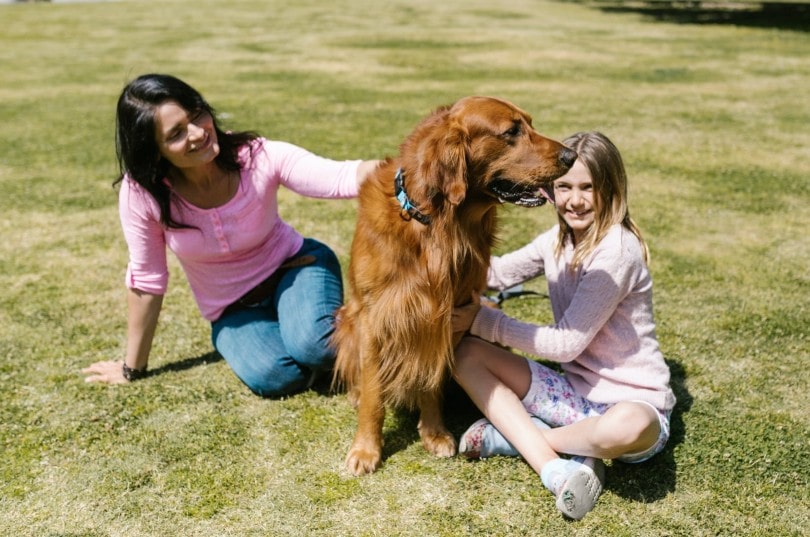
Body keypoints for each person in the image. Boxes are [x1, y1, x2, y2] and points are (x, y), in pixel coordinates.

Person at [82, 73, 378, 397]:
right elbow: (147, 278)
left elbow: (342, 177)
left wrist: (410, 168)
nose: (198, 133)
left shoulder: (255, 156)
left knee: (315, 347)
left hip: (295, 269)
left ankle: (332, 337)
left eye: (197, 115)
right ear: (154, 151)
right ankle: (300, 336)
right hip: (233, 311)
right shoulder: (142, 194)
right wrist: (131, 367)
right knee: (274, 377)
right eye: (176, 133)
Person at [451, 131, 676, 520]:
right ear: (550, 188)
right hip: (572, 396)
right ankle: (557, 466)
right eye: (564, 186)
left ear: (612, 189)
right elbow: (497, 274)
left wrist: (483, 320)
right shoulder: (556, 241)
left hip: (634, 406)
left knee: (621, 428)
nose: (574, 200)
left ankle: (514, 439)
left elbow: (566, 345)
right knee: (466, 354)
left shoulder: (616, 252)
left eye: (588, 188)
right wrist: (442, 262)